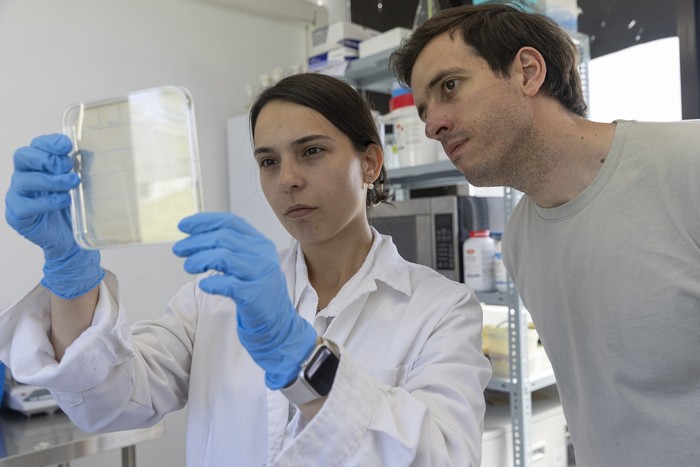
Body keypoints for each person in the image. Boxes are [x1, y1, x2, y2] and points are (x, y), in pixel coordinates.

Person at [1, 72, 491, 466]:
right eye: (268, 161)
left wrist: (300, 356)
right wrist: (70, 271)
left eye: (311, 151)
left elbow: (443, 455)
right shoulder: (215, 297)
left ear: (369, 163)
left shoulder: (441, 311)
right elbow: (109, 401)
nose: (288, 180)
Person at [390, 3, 700, 466]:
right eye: (424, 111)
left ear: (528, 72)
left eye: (449, 87)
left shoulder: (688, 165)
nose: (433, 124)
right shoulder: (519, 239)